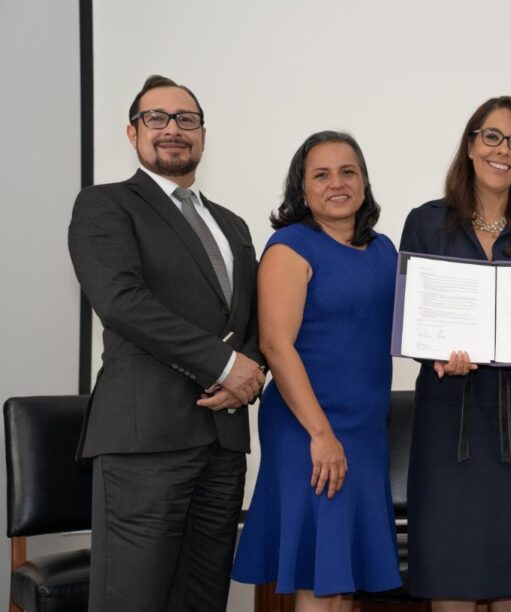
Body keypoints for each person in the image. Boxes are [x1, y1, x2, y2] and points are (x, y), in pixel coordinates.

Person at [67, 75, 265, 612]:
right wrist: (226, 365)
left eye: (187, 119)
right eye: (157, 118)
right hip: (144, 441)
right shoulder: (104, 205)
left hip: (222, 444)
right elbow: (122, 302)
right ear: (132, 133)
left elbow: (253, 321)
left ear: (203, 133)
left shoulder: (233, 224)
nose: (173, 129)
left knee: (203, 602)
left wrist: (253, 370)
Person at [399, 96, 511, 610]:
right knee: (449, 579)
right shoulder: (427, 224)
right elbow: (411, 319)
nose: (504, 150)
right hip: (447, 423)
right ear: (471, 145)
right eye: (492, 136)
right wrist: (430, 354)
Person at [231, 131, 401, 610]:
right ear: (301, 188)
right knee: (318, 581)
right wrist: (321, 434)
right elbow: (275, 346)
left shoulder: (385, 249)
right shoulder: (290, 246)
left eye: (348, 172)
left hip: (365, 433)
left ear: (364, 182)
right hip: (310, 430)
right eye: (321, 175)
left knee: (342, 581)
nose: (337, 183)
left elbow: (410, 328)